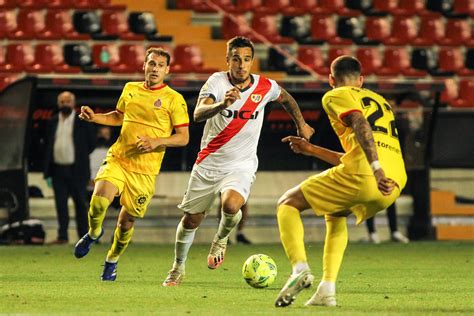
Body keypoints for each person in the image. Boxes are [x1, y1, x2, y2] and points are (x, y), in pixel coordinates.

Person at [162, 36, 314, 286]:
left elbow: (286, 98)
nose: (241, 65)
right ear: (228, 60)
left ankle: (220, 239)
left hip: (241, 164)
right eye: (236, 59)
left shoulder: (265, 86)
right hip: (209, 162)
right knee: (191, 220)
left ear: (252, 62)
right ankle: (178, 267)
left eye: (246, 60)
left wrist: (302, 124)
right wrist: (223, 103)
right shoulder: (216, 82)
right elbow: (198, 114)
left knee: (231, 206)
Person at [274, 55, 407, 308]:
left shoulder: (335, 95)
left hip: (372, 173)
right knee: (336, 213)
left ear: (331, 79)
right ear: (362, 79)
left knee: (287, 203)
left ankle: (299, 269)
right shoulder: (381, 101)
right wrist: (311, 150)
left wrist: (376, 169)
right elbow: (354, 154)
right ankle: (327, 289)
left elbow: (360, 123)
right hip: (396, 180)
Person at [73, 47, 190, 281]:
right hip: (119, 158)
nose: (154, 68)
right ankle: (94, 232)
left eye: (159, 65)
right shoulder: (130, 89)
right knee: (98, 200)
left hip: (145, 172)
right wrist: (95, 117)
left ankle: (112, 260)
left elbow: (183, 137)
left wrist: (157, 141)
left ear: (167, 70)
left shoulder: (174, 100)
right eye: (151, 63)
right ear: (144, 66)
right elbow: (118, 116)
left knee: (125, 222)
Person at [43, 91, 96, 244]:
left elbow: (91, 144)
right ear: (58, 104)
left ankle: (84, 237)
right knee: (60, 204)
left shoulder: (82, 121)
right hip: (57, 170)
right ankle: (62, 236)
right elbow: (48, 145)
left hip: (77, 171)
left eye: (67, 101)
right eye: (62, 101)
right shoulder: (53, 121)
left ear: (73, 104)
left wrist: (79, 158)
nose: (65, 104)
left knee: (80, 204)